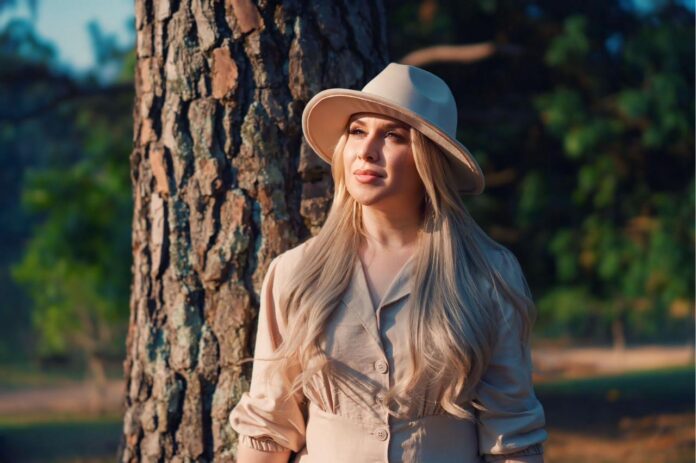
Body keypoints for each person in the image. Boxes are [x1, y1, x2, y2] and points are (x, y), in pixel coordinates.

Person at [229, 62, 547, 463]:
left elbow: (513, 434)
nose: (366, 150)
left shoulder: (487, 274)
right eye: (357, 131)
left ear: (429, 160)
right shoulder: (296, 272)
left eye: (393, 136)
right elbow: (269, 426)